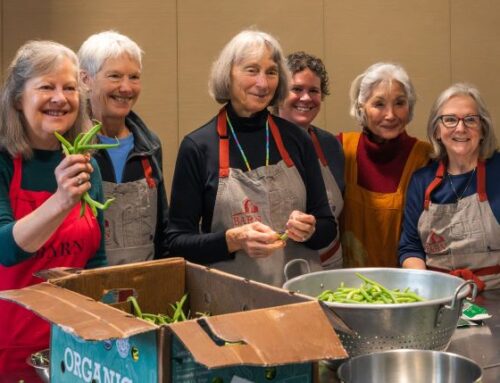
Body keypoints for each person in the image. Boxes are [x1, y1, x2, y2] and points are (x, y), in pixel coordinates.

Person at [166, 30, 336, 287]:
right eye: (251, 70)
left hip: (298, 296)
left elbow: (327, 226)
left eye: (271, 72)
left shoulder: (297, 139)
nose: (263, 83)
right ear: (228, 75)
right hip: (233, 302)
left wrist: (311, 230)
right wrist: (232, 240)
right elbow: (176, 242)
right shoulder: (198, 147)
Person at [0, 40, 106, 376]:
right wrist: (61, 201)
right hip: (9, 347)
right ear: (18, 98)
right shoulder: (4, 162)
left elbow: (96, 258)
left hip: (72, 344)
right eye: (47, 86)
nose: (60, 98)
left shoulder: (85, 163)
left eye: (70, 88)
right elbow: (5, 249)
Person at [78, 31, 169, 265]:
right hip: (85, 285)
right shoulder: (70, 149)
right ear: (85, 80)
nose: (126, 88)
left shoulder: (150, 146)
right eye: (115, 76)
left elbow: (162, 228)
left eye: (134, 77)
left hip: (145, 285)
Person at [399, 83, 500, 291]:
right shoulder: (421, 181)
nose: (460, 128)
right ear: (437, 130)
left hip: (495, 295)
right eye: (450, 120)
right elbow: (410, 248)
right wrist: (427, 288)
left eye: (470, 119)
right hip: (439, 295)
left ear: (483, 129)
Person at [340, 62, 431, 267]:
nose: (390, 115)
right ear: (361, 107)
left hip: (408, 287)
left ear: (410, 107)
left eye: (399, 103)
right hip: (346, 288)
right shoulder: (341, 149)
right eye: (379, 104)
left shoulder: (426, 157)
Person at [278, 51, 344, 268]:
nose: (306, 98)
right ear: (278, 94)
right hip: (281, 266)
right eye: (296, 89)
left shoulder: (330, 144)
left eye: (314, 91)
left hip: (330, 264)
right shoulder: (262, 143)